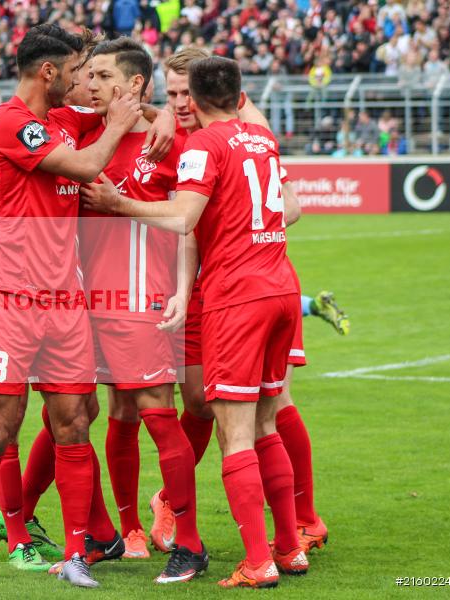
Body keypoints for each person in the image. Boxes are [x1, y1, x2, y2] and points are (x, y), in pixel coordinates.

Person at [81, 56, 309, 588]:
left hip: (233, 295)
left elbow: (184, 218)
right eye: (171, 95)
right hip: (277, 285)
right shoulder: (260, 136)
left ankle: (256, 560)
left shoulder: (204, 144)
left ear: (198, 97)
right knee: (262, 420)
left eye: (185, 95)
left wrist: (117, 203)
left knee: (235, 431)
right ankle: (290, 545)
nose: (178, 104)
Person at [0, 23, 141, 590]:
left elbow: (138, 112)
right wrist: (117, 127)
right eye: (76, 71)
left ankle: (77, 552)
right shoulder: (11, 122)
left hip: (65, 303)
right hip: (8, 299)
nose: (84, 81)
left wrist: (143, 114)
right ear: (47, 73)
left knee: (73, 424)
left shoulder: (58, 121)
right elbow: (87, 168)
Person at [77, 37, 207, 584]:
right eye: (90, 76)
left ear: (132, 84)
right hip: (90, 301)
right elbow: (11, 140)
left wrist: (162, 119)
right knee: (118, 413)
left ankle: (190, 542)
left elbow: (188, 222)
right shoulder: (85, 133)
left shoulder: (173, 145)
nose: (91, 85)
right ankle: (128, 530)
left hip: (142, 298)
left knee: (158, 411)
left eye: (103, 76)